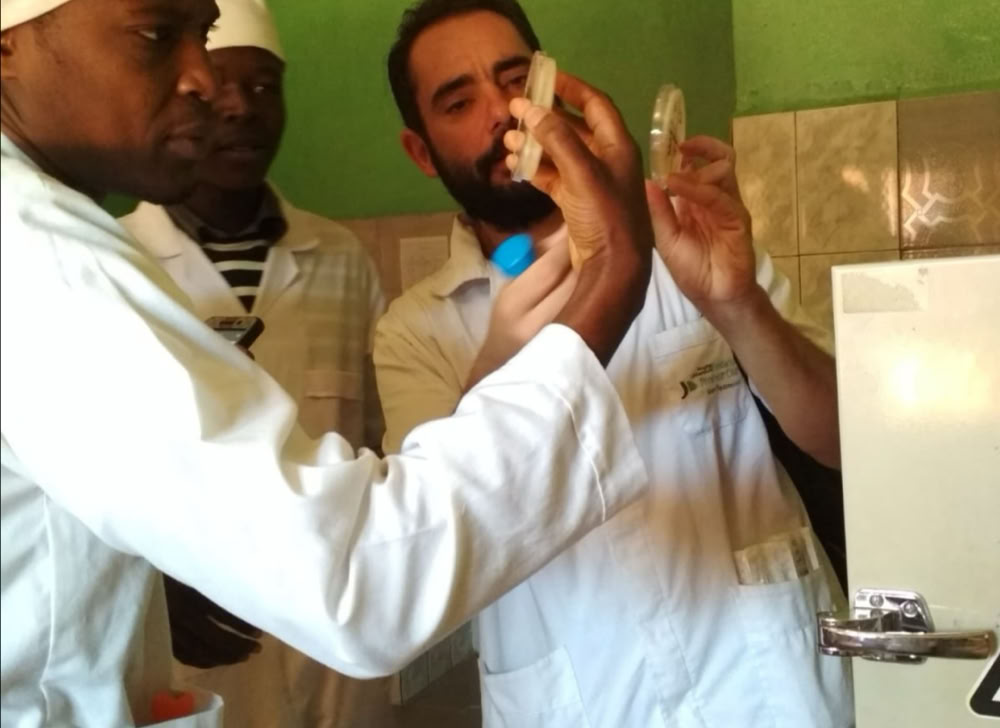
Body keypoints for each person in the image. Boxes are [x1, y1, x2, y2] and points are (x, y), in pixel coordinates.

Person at [0, 0, 658, 724]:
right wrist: (614, 277)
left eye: (205, 36)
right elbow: (361, 575)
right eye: (155, 34)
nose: (206, 83)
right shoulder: (35, 254)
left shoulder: (49, 235)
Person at [375, 1, 853, 726]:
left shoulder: (681, 242)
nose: (502, 113)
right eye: (458, 101)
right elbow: (424, 558)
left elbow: (845, 440)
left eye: (515, 80)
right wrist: (495, 370)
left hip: (768, 688)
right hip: (582, 701)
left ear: (551, 87)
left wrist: (737, 305)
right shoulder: (416, 332)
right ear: (420, 150)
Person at [119, 1, 390, 725]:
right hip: (196, 649)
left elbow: (377, 443)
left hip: (337, 640)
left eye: (265, 87)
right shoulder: (122, 262)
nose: (242, 108)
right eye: (218, 86)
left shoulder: (341, 260)